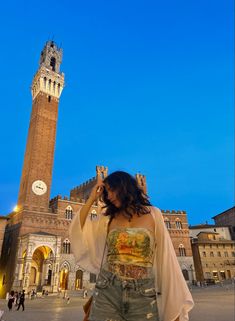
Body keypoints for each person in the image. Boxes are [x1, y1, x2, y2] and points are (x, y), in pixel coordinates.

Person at [69, 171, 194, 321]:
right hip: (107, 289)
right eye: (106, 192)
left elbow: (166, 255)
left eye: (111, 190)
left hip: (143, 292)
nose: (108, 196)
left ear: (123, 187)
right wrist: (91, 199)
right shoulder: (108, 217)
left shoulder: (154, 214)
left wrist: (172, 298)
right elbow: (78, 228)